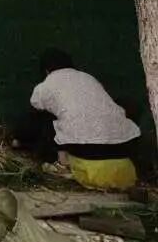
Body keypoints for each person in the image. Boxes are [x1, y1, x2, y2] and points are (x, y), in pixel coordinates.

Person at [15, 48, 140, 188]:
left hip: (89, 168)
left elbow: (35, 109)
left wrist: (20, 137)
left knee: (44, 115)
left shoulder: (45, 85)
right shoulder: (88, 78)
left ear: (46, 71)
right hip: (125, 168)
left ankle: (61, 164)